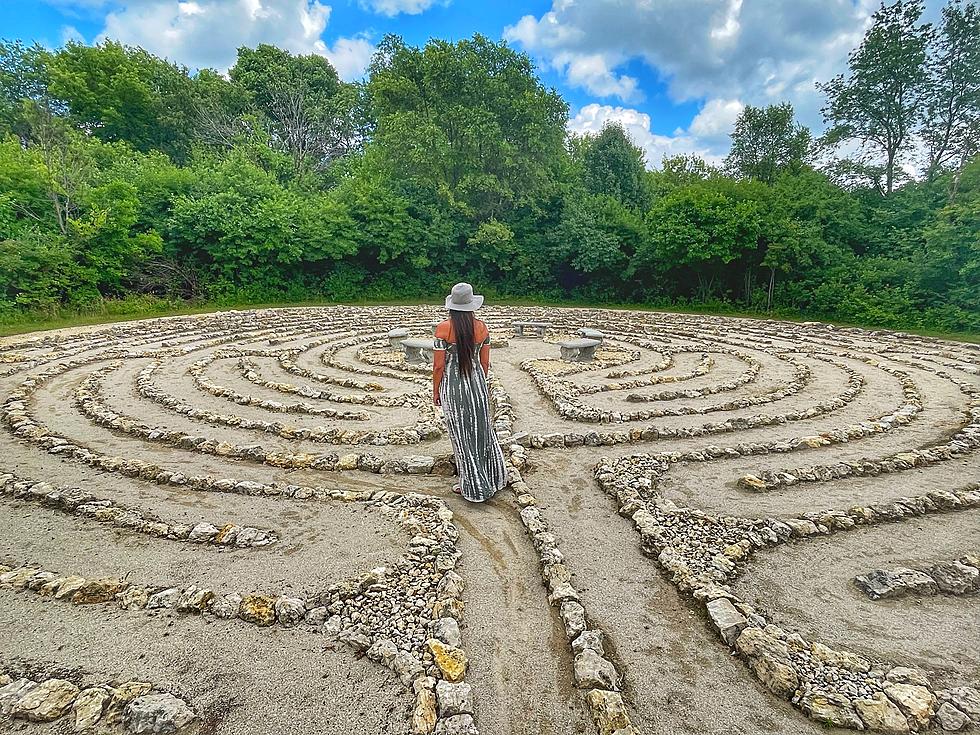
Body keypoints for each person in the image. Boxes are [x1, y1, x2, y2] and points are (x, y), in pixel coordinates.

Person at [432, 283, 507, 502]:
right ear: (471, 304)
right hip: (477, 384)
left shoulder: (443, 329)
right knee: (482, 432)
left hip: (454, 387)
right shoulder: (482, 328)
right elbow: (484, 363)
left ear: (452, 305)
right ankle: (493, 477)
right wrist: (478, 385)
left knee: (462, 436)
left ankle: (472, 484)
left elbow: (438, 366)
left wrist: (436, 390)